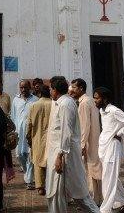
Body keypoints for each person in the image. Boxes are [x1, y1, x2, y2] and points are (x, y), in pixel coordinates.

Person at [44, 77, 100, 213]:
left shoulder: (66, 104)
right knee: (56, 194)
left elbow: (66, 131)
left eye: (51, 89)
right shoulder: (59, 103)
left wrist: (60, 155)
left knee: (80, 196)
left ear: (55, 90)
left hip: (65, 157)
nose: (50, 92)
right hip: (58, 155)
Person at [95, 87, 124, 213]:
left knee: (108, 179)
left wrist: (119, 133)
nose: (95, 100)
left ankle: (105, 209)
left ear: (105, 98)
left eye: (97, 98)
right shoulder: (103, 111)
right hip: (104, 147)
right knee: (111, 177)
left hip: (113, 147)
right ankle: (123, 202)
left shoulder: (114, 110)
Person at [69, 78, 103, 205]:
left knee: (89, 173)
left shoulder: (84, 103)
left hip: (88, 142)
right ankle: (97, 199)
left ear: (81, 88)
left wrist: (82, 145)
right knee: (94, 172)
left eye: (74, 87)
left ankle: (93, 200)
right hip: (94, 141)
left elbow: (84, 126)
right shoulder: (89, 100)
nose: (71, 90)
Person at [10, 79, 38, 190]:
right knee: (19, 154)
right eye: (21, 87)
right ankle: (28, 173)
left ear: (29, 88)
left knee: (30, 155)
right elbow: (13, 116)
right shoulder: (15, 100)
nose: (23, 89)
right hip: (18, 132)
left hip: (31, 132)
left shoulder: (35, 100)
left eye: (25, 87)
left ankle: (29, 180)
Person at [27, 84, 52, 195]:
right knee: (50, 162)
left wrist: (28, 137)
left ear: (39, 93)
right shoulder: (54, 105)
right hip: (51, 138)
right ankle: (51, 184)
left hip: (37, 138)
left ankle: (40, 186)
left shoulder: (34, 105)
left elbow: (30, 124)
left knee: (38, 162)